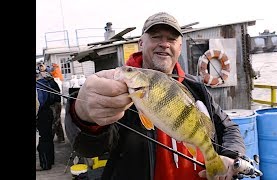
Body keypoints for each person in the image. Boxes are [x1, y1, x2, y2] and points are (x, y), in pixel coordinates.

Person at [65, 12, 245, 180]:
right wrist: (84, 116)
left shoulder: (196, 87)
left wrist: (231, 157)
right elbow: (88, 148)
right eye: (156, 37)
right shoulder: (118, 88)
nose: (164, 44)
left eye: (172, 39)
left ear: (179, 47)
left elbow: (228, 127)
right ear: (141, 43)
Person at [38, 63, 66, 143]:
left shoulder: (48, 81)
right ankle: (61, 138)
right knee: (57, 121)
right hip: (53, 103)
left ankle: (50, 138)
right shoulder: (48, 81)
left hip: (54, 103)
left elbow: (54, 93)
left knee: (54, 121)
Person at [36, 69, 55, 170]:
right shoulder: (46, 83)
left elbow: (40, 102)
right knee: (48, 138)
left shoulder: (38, 86)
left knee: (43, 139)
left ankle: (45, 164)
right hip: (48, 112)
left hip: (42, 114)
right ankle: (50, 160)